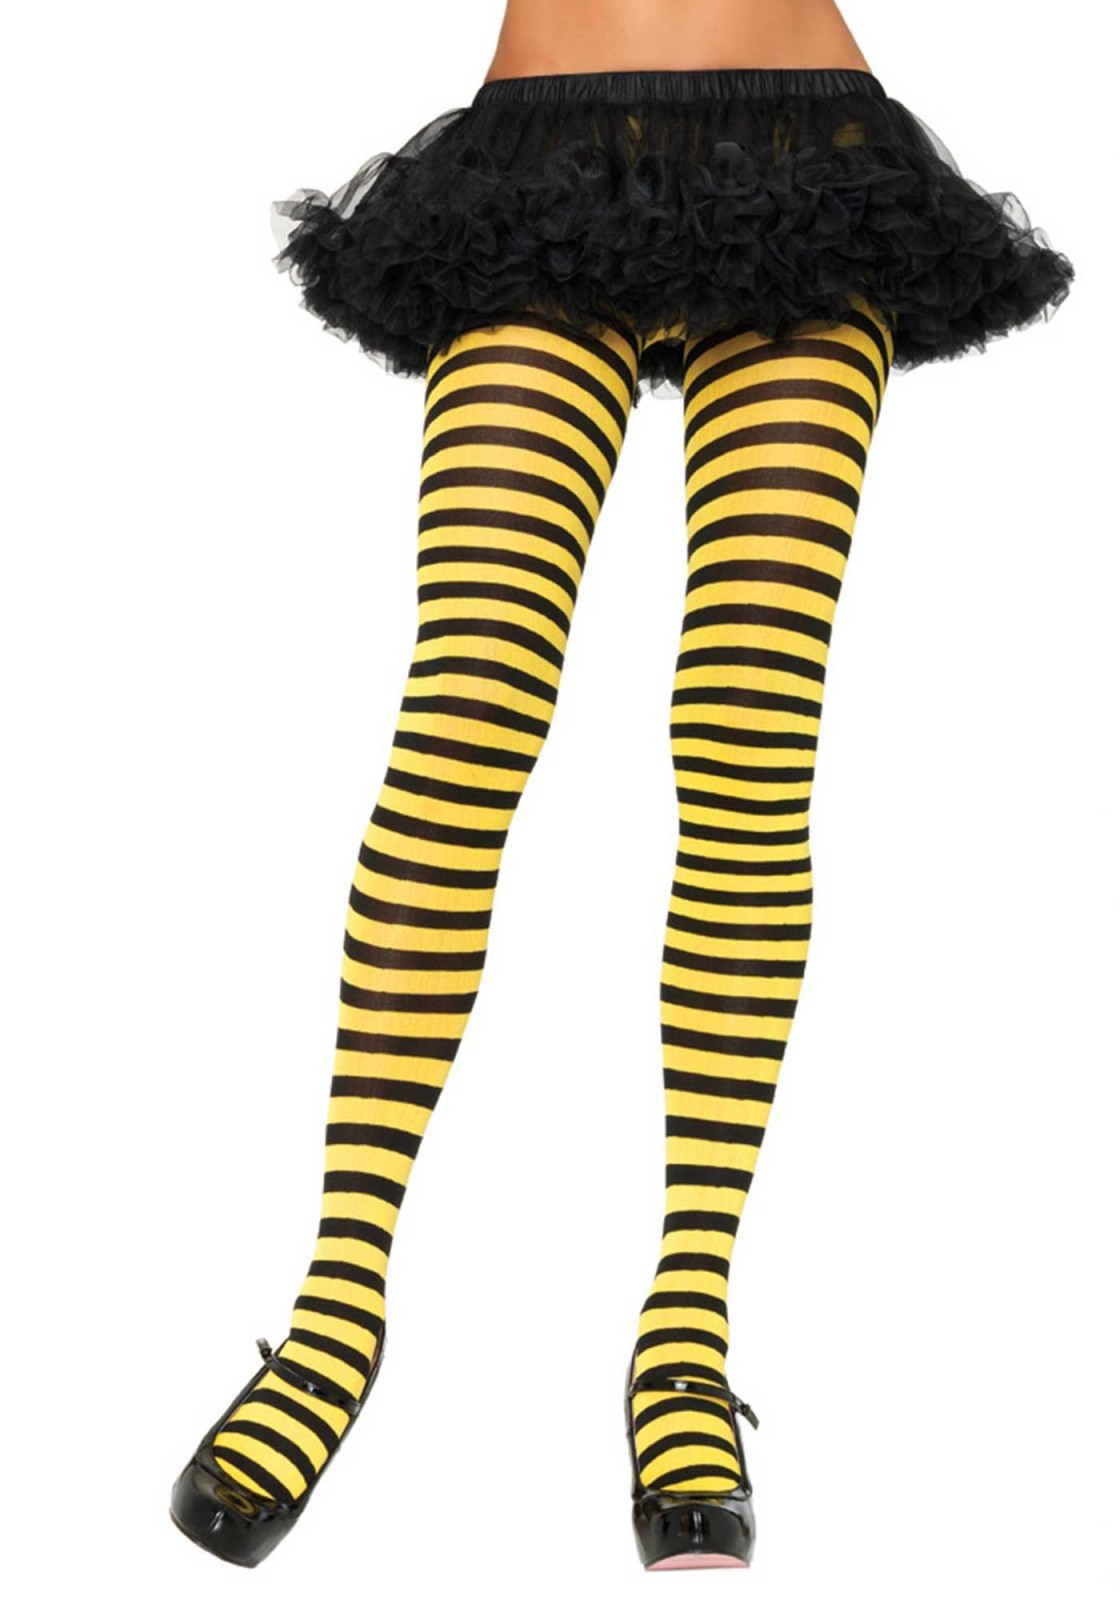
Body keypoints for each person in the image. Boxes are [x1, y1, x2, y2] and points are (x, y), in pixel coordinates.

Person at [169, 0, 1074, 1572]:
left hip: (806, 149)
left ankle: (686, 1331)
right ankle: (336, 1305)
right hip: (544, 152)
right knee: (468, 700)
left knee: (749, 727)